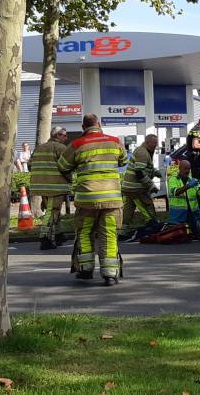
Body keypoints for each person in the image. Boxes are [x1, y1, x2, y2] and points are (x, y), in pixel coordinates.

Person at [57, 114, 128, 285]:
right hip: (112, 199)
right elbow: (123, 160)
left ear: (83, 126)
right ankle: (110, 274)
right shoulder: (115, 141)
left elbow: (62, 166)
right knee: (109, 234)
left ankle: (85, 270)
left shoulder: (77, 144)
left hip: (87, 199)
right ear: (99, 124)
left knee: (85, 233)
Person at [29, 126, 71, 250]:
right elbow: (67, 166)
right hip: (55, 186)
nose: (66, 137)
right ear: (57, 135)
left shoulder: (39, 148)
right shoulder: (61, 148)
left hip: (40, 185)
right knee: (52, 212)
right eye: (64, 135)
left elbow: (30, 164)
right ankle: (45, 238)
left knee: (53, 210)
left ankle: (59, 236)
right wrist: (70, 179)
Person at [122, 134, 160, 233]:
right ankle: (154, 225)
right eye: (154, 143)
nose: (156, 145)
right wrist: (151, 186)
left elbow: (143, 168)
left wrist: (154, 172)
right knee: (147, 204)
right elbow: (139, 172)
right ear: (147, 142)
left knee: (128, 208)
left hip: (129, 187)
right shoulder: (143, 153)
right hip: (136, 187)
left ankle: (123, 229)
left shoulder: (143, 150)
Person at [167, 160, 200, 233]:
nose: (187, 171)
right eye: (185, 168)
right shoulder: (173, 179)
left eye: (189, 169)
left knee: (196, 234)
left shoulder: (192, 180)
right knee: (179, 235)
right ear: (180, 168)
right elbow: (176, 192)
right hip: (178, 216)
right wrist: (189, 185)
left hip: (192, 216)